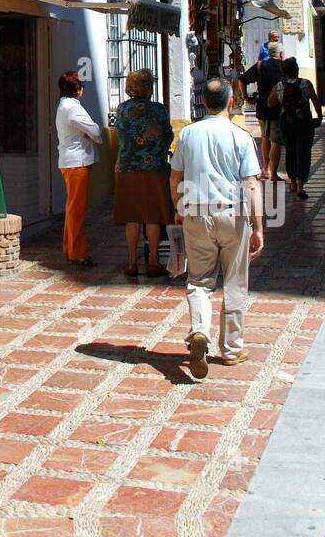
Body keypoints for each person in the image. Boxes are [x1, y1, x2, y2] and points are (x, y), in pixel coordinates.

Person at [170, 78, 264, 379]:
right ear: (231, 102)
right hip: (232, 215)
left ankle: (199, 331)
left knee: (199, 281)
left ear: (203, 103)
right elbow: (251, 183)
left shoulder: (187, 134)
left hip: (196, 213)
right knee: (235, 281)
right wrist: (258, 225)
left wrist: (179, 208)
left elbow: (175, 178)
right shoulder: (241, 135)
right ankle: (232, 349)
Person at [113, 68, 173, 281]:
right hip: (153, 169)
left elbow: (120, 134)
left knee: (132, 217)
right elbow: (168, 134)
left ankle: (131, 262)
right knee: (153, 216)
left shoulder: (122, 109)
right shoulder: (158, 110)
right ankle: (154, 262)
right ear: (149, 87)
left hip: (127, 168)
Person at [56, 70, 102, 267]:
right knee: (77, 209)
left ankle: (70, 247)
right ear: (76, 89)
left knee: (72, 207)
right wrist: (92, 134)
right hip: (78, 163)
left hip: (70, 161)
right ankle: (78, 252)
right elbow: (95, 130)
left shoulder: (63, 106)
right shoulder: (74, 109)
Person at [267, 59, 322, 200]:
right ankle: (300, 186)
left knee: (290, 151)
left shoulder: (279, 86)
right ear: (297, 70)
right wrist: (319, 117)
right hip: (304, 121)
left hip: (287, 121)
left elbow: (270, 103)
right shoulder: (305, 84)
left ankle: (292, 182)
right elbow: (315, 100)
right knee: (304, 151)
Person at [241, 41, 284, 182]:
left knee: (265, 138)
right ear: (281, 54)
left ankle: (266, 169)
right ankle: (274, 174)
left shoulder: (260, 66)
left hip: (263, 106)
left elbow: (242, 79)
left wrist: (246, 97)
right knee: (276, 140)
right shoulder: (284, 66)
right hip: (279, 106)